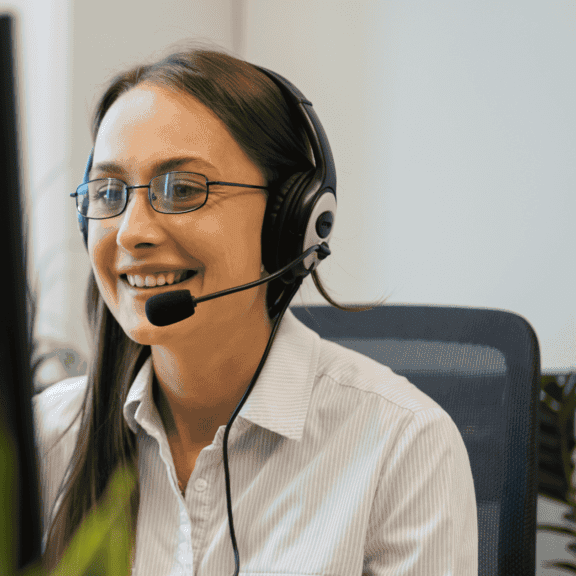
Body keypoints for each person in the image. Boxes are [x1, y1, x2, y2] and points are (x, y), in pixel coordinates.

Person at [33, 49, 478, 576]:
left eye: (183, 189)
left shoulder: (404, 447)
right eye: (109, 193)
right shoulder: (46, 440)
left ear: (289, 219)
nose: (132, 232)